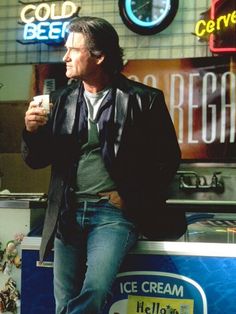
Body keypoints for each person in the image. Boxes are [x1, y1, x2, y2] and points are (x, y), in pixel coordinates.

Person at [21, 16, 186, 314]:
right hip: (67, 212)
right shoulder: (61, 101)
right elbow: (36, 160)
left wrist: (131, 196)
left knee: (94, 290)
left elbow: (167, 160)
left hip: (112, 214)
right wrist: (31, 133)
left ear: (99, 56)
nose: (65, 56)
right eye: (66, 49)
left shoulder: (142, 100)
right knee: (64, 300)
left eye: (74, 49)